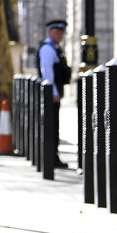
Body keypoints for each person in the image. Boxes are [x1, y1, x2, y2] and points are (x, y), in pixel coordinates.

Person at [37, 19, 71, 168]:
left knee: (54, 126)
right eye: (57, 32)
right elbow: (47, 73)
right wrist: (54, 92)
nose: (59, 35)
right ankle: (50, 158)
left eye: (61, 32)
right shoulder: (48, 49)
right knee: (51, 126)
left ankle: (52, 156)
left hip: (53, 92)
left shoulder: (55, 48)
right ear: (50, 32)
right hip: (51, 94)